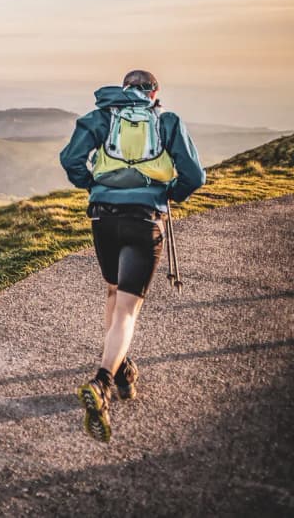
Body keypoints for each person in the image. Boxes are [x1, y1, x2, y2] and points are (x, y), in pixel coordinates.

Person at [58, 69, 205, 442]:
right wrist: (170, 192)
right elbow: (194, 175)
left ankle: (122, 372)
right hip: (145, 220)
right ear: (155, 93)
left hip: (103, 218)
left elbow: (71, 158)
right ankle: (103, 382)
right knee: (127, 308)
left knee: (112, 292)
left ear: (123, 90)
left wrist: (92, 184)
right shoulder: (166, 120)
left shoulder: (103, 115)